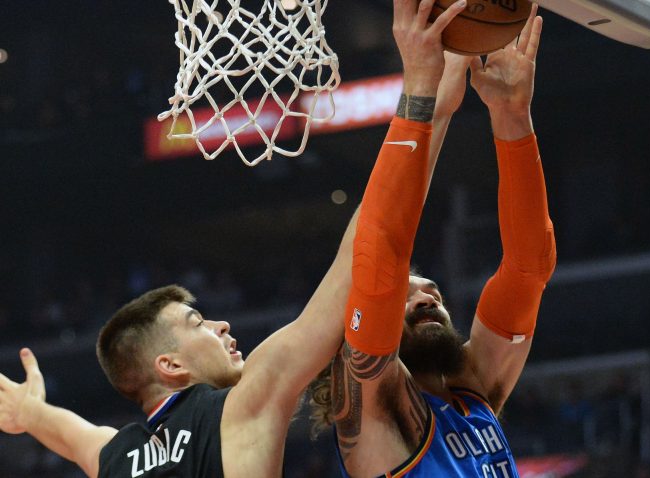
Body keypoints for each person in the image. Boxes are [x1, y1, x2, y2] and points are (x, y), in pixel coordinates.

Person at [0, 1, 470, 476]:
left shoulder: (117, 457)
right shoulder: (240, 407)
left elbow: (70, 433)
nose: (221, 326)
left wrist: (30, 414)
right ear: (170, 365)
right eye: (197, 321)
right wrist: (424, 100)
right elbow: (367, 250)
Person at [309, 4, 556, 476]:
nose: (427, 291)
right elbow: (380, 261)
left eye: (427, 286)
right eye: (410, 288)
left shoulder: (471, 384)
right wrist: (419, 89)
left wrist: (511, 116)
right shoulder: (373, 401)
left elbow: (530, 266)